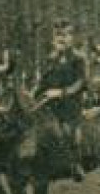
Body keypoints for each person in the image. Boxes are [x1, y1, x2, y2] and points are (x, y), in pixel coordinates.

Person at [34, 18, 88, 181]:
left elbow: (81, 82)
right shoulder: (51, 59)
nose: (61, 39)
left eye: (65, 35)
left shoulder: (78, 58)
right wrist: (34, 94)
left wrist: (61, 92)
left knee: (69, 130)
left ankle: (75, 165)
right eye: (58, 35)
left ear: (72, 38)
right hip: (50, 105)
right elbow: (43, 82)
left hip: (70, 105)